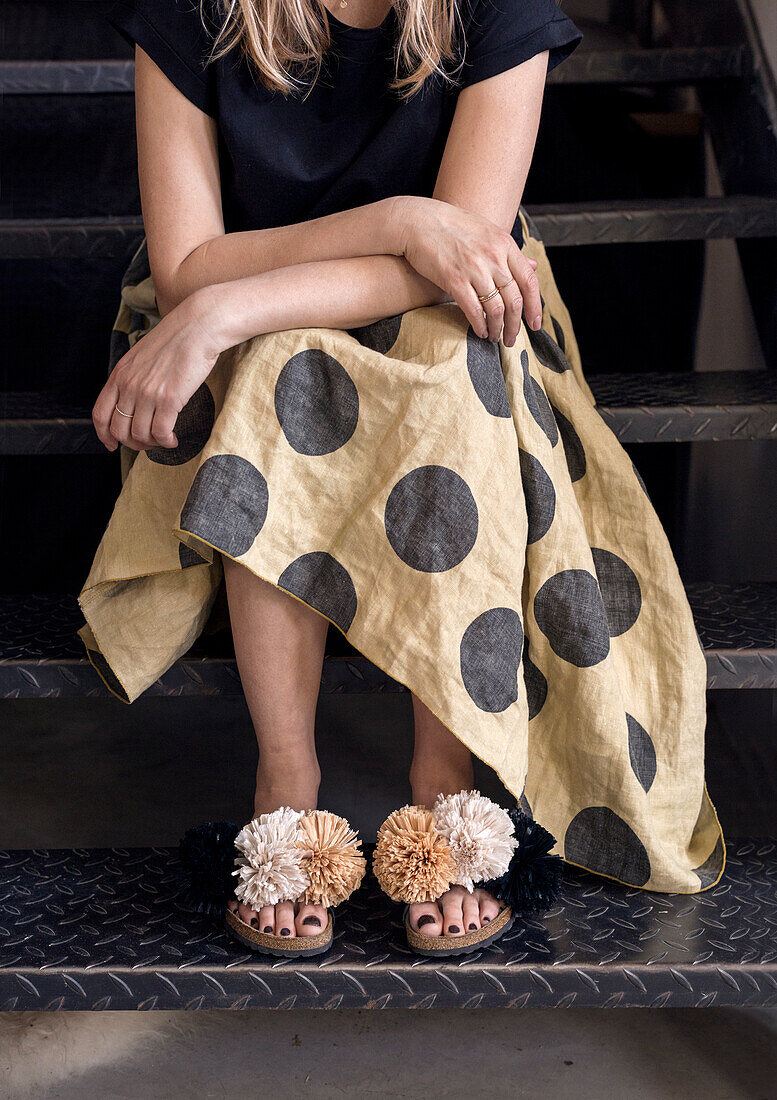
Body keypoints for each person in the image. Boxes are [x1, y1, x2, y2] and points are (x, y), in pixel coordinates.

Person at [77, 0, 725, 956]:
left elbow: (459, 265)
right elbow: (186, 273)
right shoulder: (197, 12)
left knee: (449, 368)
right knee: (275, 365)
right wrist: (395, 221)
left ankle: (446, 785)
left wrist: (239, 299)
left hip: (443, 312)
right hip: (228, 325)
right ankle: (284, 785)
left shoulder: (495, 11)